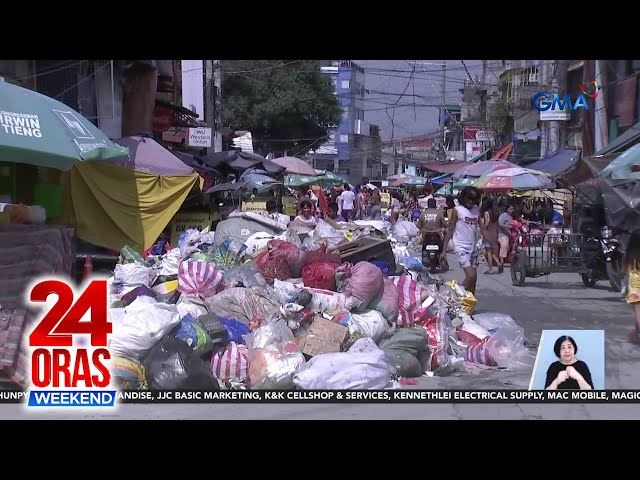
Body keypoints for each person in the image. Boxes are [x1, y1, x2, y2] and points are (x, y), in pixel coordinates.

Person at [441, 187, 481, 294]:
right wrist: (444, 251)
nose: (471, 202)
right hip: (461, 247)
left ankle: (468, 304)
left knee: (474, 280)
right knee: (470, 276)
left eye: (473, 199)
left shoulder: (476, 211)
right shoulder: (457, 210)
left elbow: (481, 228)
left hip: (473, 247)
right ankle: (455, 295)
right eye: (469, 199)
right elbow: (450, 230)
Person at [479, 197, 503, 274]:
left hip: (488, 232)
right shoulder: (495, 212)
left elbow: (487, 223)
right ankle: (498, 263)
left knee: (488, 252)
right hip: (494, 232)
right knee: (493, 251)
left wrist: (483, 228)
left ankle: (490, 269)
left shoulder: (486, 213)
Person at [624, 235, 640, 345]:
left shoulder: (630, 258)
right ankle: (637, 333)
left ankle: (637, 333)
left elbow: (623, 271)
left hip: (635, 287)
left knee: (638, 312)